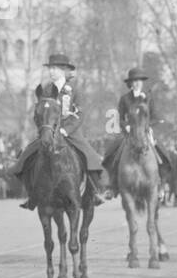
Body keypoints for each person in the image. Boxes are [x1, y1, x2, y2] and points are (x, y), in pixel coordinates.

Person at [9, 53, 109, 208]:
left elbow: (80, 114)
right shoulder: (46, 90)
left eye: (55, 68)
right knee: (27, 156)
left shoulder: (75, 90)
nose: (51, 72)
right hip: (49, 133)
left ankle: (95, 192)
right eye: (50, 68)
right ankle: (32, 194)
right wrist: (44, 128)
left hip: (70, 134)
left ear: (64, 70)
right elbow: (41, 111)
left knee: (91, 158)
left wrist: (65, 130)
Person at [102, 67, 173, 195]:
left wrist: (147, 125)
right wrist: (126, 126)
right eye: (134, 81)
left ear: (142, 82)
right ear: (130, 83)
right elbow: (120, 117)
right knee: (112, 153)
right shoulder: (124, 99)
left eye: (139, 81)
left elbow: (155, 117)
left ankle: (161, 184)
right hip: (129, 133)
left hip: (145, 131)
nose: (137, 83)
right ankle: (112, 186)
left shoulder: (149, 97)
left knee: (162, 154)